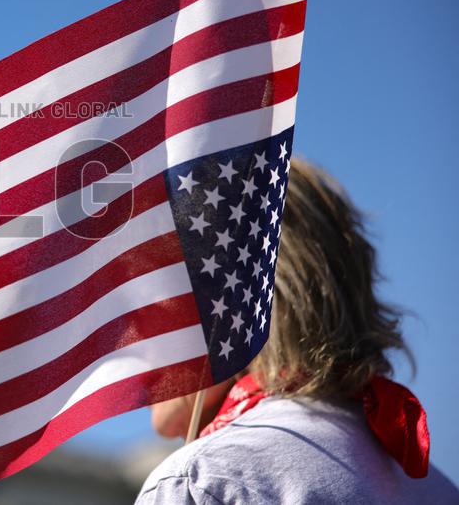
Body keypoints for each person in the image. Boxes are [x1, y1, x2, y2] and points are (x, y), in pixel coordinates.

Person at [135, 158, 458, 504]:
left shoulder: (202, 482)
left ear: (232, 302)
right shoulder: (438, 489)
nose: (133, 339)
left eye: (153, 305)